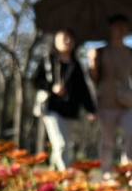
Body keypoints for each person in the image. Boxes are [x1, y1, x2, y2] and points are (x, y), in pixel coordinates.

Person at [87, 14, 132, 178]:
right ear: (110, 29)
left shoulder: (131, 52)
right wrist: (92, 64)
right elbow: (94, 79)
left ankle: (129, 172)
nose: (120, 30)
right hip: (106, 101)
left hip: (127, 102)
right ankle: (106, 173)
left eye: (123, 27)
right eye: (117, 27)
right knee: (107, 140)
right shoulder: (100, 51)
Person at [32, 29, 96, 171]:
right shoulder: (48, 60)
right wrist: (52, 88)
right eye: (64, 38)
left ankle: (53, 175)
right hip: (51, 108)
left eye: (71, 39)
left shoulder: (76, 65)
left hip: (70, 110)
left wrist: (90, 109)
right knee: (60, 143)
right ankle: (65, 176)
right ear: (56, 40)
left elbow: (83, 90)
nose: (68, 41)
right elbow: (36, 81)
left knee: (66, 144)